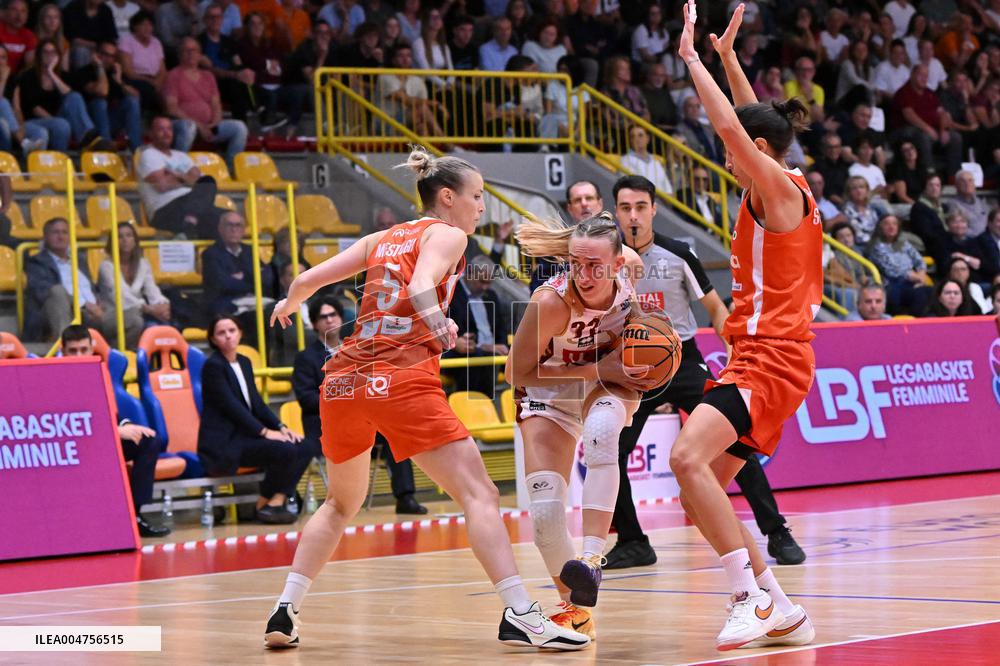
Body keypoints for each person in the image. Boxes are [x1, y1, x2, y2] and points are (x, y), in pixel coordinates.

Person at [263, 148, 590, 651]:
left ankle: (284, 610)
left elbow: (308, 280)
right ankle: (521, 613)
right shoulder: (450, 234)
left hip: (344, 382)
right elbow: (421, 284)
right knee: (480, 495)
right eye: (477, 197)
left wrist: (290, 303)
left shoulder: (383, 237)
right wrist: (436, 320)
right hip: (399, 378)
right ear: (447, 198)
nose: (481, 207)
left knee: (339, 503)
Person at [674, 2, 819, 650]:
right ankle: (778, 603)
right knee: (696, 491)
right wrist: (729, 59)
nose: (727, 160)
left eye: (738, 154)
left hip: (773, 360)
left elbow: (735, 128)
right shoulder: (784, 176)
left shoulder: (777, 192)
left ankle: (747, 598)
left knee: (684, 456)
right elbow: (753, 122)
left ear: (757, 154)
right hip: (759, 360)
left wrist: (690, 62)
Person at [607, 175, 805, 571]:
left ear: (654, 209)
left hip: (681, 358)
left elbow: (716, 308)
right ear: (616, 211)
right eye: (625, 207)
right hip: (635, 366)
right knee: (608, 450)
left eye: (640, 207)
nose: (633, 215)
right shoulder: (606, 259)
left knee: (731, 438)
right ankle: (632, 540)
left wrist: (735, 352)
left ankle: (776, 530)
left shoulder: (678, 253)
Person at [507, 210, 650, 640]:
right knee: (547, 518)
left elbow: (634, 320)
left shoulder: (630, 274)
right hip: (549, 390)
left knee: (603, 433)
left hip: (603, 382)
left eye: (594, 266)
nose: (584, 276)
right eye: (575, 264)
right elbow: (517, 372)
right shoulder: (551, 302)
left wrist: (639, 354)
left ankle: (590, 560)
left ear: (617, 265)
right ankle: (575, 608)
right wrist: (595, 369)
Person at [291, 296, 427, 514]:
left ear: (340, 317)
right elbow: (306, 398)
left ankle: (405, 497)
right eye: (323, 317)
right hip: (327, 425)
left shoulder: (357, 350)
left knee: (394, 434)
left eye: (333, 315)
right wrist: (346, 397)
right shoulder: (306, 358)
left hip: (363, 420)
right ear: (315, 323)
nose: (329, 321)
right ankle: (341, 507)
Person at [199, 315, 315, 524]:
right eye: (221, 333)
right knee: (285, 450)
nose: (228, 336)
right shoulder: (213, 366)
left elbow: (257, 404)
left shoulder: (244, 362)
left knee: (305, 446)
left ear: (240, 333)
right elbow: (231, 407)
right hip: (226, 443)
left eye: (231, 330)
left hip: (246, 438)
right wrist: (265, 432)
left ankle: (271, 501)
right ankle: (268, 503)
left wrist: (281, 427)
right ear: (213, 339)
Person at [61, 325, 171, 537]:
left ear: (92, 349)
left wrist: (125, 425)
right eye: (73, 351)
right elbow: (65, 423)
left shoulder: (99, 373)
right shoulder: (51, 377)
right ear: (63, 351)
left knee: (149, 440)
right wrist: (113, 432)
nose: (79, 356)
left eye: (84, 350)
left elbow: (109, 412)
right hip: (73, 446)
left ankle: (135, 515)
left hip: (103, 440)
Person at [137, 116, 228, 239]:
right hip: (165, 210)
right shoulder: (148, 154)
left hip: (191, 207)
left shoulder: (181, 156)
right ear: (151, 134)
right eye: (161, 129)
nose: (166, 133)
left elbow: (199, 182)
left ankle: (190, 225)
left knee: (228, 219)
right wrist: (187, 178)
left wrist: (177, 176)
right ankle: (190, 225)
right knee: (218, 219)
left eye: (169, 129)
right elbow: (162, 186)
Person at [164, 37, 248, 168]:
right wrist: (199, 125)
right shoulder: (173, 75)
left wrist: (214, 123)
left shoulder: (208, 76)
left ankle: (230, 169)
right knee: (189, 127)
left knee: (239, 127)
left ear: (200, 55)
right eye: (187, 50)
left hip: (209, 126)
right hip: (183, 125)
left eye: (194, 50)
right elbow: (171, 108)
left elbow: (216, 105)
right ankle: (178, 169)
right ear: (180, 54)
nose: (191, 53)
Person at [25, 218, 106, 342]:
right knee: (57, 291)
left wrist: (99, 302)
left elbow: (91, 287)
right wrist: (84, 305)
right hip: (67, 311)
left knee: (132, 318)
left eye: (64, 232)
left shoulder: (79, 260)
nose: (60, 236)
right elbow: (42, 292)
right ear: (46, 236)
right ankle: (65, 346)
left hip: (95, 311)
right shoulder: (36, 262)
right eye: (55, 232)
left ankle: (124, 357)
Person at [201, 211, 275, 341]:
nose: (234, 229)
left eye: (238, 225)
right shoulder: (210, 254)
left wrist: (243, 276)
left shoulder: (249, 250)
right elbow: (224, 284)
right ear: (220, 228)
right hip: (227, 304)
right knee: (254, 320)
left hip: (254, 300)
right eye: (229, 225)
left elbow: (266, 278)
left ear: (243, 229)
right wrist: (251, 279)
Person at [96, 222, 172, 348]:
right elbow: (121, 296)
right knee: (137, 321)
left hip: (139, 311)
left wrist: (162, 304)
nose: (125, 240)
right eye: (120, 237)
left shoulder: (143, 263)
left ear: (135, 240)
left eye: (129, 235)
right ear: (113, 241)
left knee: (161, 321)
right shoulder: (106, 266)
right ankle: (118, 354)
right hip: (112, 314)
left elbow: (152, 289)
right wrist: (147, 309)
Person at [444, 254, 510, 396]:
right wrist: (483, 346)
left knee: (527, 355)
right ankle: (477, 409)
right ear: (469, 274)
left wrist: (503, 346)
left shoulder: (491, 295)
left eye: (489, 282)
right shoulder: (451, 294)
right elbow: (456, 336)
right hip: (463, 353)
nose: (485, 287)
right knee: (479, 359)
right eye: (482, 281)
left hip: (491, 353)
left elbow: (501, 328)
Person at [528, 180, 603, 291]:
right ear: (570, 208)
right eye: (578, 200)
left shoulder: (617, 241)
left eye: (589, 198)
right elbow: (538, 289)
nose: (584, 203)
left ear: (600, 203)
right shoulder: (555, 249)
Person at [866, 214, 932, 316]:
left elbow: (919, 260)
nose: (891, 227)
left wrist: (921, 275)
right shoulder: (876, 246)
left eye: (894, 224)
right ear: (880, 228)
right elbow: (891, 269)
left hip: (912, 280)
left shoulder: (903, 243)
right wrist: (915, 277)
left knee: (931, 292)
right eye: (887, 224)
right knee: (919, 294)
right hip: (890, 284)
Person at [620, 124, 673, 196]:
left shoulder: (656, 162)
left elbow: (668, 191)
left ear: (647, 138)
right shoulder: (625, 160)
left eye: (640, 135)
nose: (637, 139)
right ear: (629, 140)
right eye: (632, 136)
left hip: (661, 204)